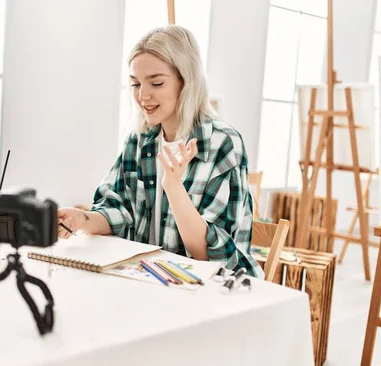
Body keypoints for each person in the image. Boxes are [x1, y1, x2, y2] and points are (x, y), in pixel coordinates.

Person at [57, 25, 261, 278]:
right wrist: (82, 219)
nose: (143, 95)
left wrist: (174, 187)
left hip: (214, 287)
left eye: (156, 83)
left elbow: (209, 253)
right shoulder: (140, 140)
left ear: (186, 81)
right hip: (148, 279)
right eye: (135, 84)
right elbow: (118, 209)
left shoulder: (223, 143)